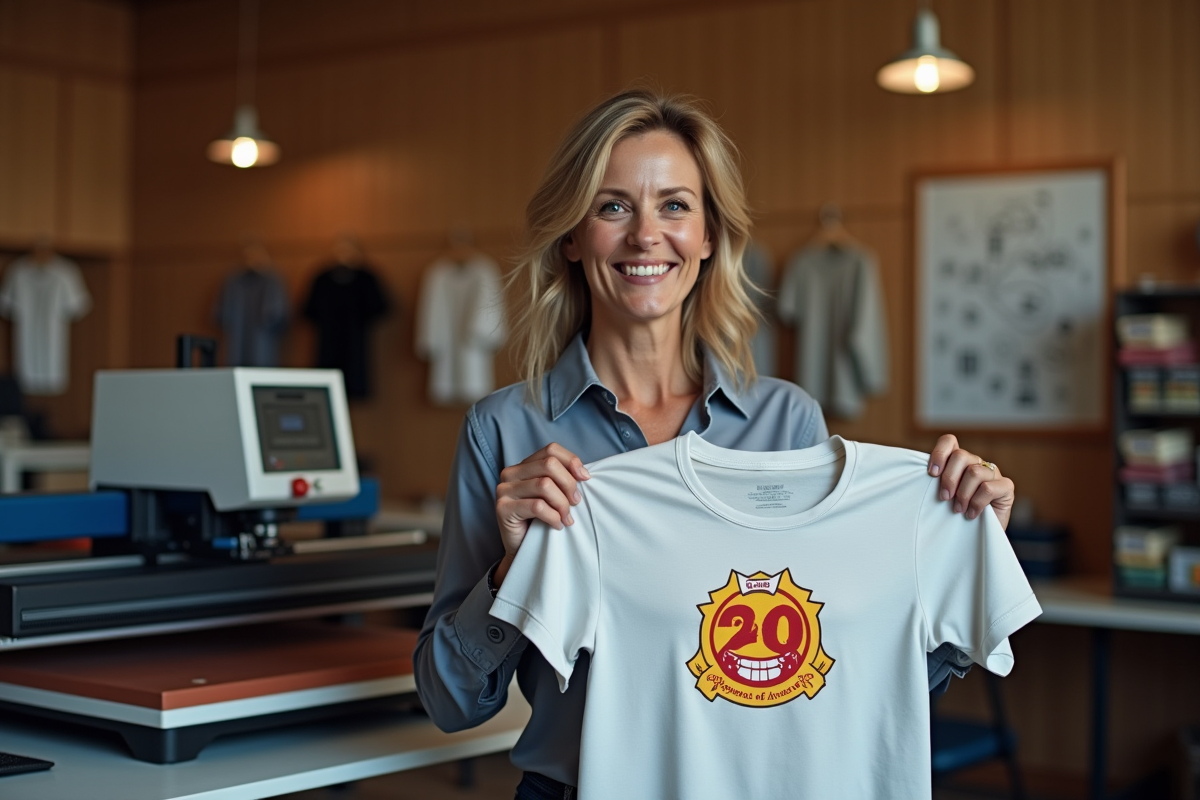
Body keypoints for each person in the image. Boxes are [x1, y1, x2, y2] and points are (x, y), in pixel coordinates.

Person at [414, 89, 1016, 800]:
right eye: (613, 207)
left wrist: (966, 552)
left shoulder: (787, 424)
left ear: (708, 236)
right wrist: (514, 570)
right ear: (572, 237)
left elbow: (844, 676)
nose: (646, 236)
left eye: (674, 206)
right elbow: (450, 703)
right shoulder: (504, 431)